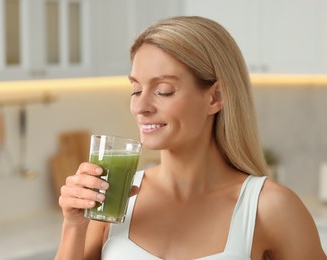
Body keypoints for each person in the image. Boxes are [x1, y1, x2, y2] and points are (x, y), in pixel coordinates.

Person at [55, 16, 326, 260]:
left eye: (163, 90)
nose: (141, 107)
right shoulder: (114, 199)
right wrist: (73, 226)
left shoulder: (270, 207)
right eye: (136, 90)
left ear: (215, 97)